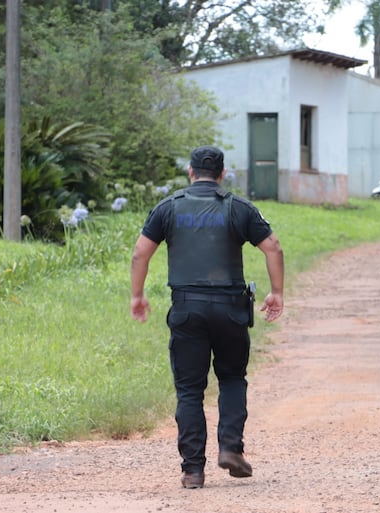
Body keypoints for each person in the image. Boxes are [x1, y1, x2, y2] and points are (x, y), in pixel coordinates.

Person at [130, 145, 284, 490]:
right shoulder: (238, 208)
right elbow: (273, 247)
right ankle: (230, 447)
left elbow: (141, 252)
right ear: (223, 174)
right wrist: (277, 292)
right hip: (229, 308)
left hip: (186, 309)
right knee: (231, 378)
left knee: (189, 391)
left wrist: (137, 295)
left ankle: (192, 471)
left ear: (190, 172)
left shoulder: (169, 207)